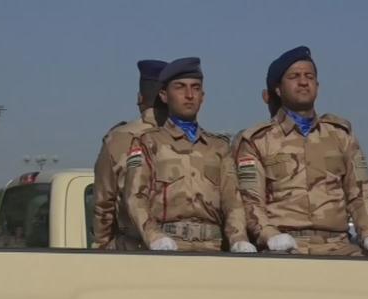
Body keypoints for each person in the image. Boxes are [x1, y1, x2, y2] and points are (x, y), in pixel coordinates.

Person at [234, 46, 368, 255]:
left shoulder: (341, 135)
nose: (303, 82)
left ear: (317, 85)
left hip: (339, 246)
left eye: (309, 76)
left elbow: (360, 192)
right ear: (278, 89)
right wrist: (268, 234)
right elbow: (251, 200)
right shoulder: (258, 140)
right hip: (284, 246)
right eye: (294, 76)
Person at [124, 57, 254, 252]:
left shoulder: (218, 147)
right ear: (164, 95)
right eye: (180, 87)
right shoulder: (148, 142)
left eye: (195, 88)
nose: (189, 95)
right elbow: (135, 197)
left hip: (213, 247)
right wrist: (153, 237)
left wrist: (238, 238)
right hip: (168, 244)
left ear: (203, 96)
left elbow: (232, 201)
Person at [93, 59, 168, 250]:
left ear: (139, 98)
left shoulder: (118, 139)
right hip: (188, 251)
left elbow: (104, 204)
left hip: (133, 250)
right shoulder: (192, 139)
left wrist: (102, 245)